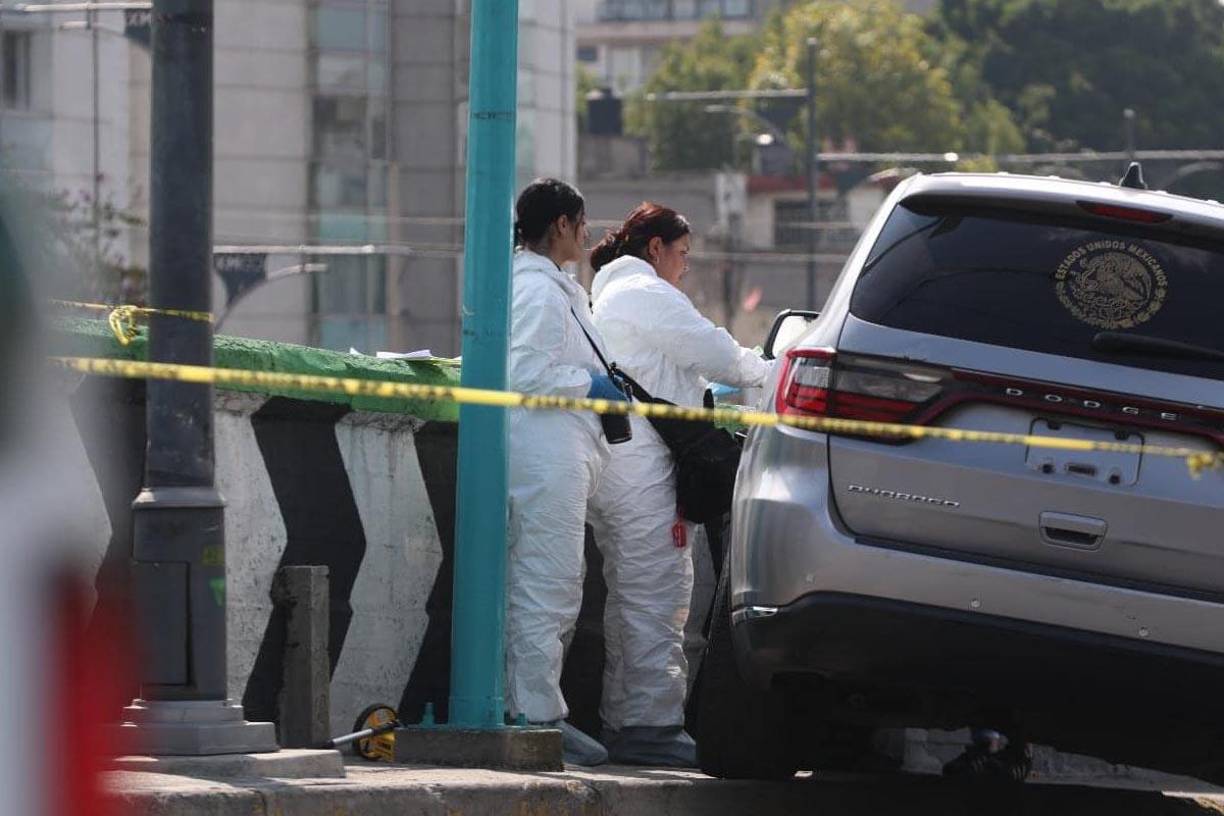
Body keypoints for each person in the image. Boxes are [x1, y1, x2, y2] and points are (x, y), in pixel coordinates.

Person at [586, 202, 771, 766]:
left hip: (629, 461)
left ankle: (631, 721)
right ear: (655, 249)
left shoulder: (612, 295)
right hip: (642, 469)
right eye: (683, 254)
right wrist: (779, 370)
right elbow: (716, 352)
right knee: (656, 595)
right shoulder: (643, 295)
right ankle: (649, 726)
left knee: (637, 595)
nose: (686, 267)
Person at [504, 178, 628, 766]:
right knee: (546, 586)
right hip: (544, 451)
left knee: (551, 581)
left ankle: (535, 711)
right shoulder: (538, 291)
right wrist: (591, 387)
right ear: (560, 225)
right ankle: (535, 718)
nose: (586, 234)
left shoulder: (553, 289)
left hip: (557, 452)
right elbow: (525, 374)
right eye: (581, 223)